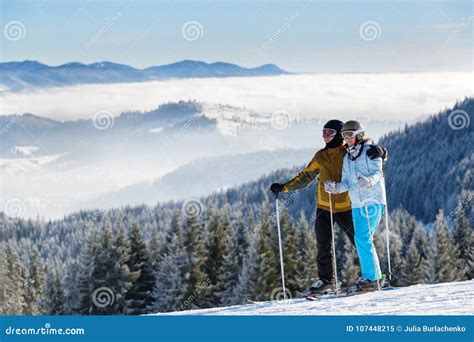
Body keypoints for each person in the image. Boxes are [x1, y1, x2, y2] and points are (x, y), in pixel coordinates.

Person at [270, 119, 386, 296]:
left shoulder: (347, 152)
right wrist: (284, 187)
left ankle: (374, 277)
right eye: (323, 133)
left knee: (360, 241)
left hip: (347, 207)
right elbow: (305, 177)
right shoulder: (321, 156)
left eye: (330, 133)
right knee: (323, 244)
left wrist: (383, 152)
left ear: (339, 134)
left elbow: (368, 154)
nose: (325, 137)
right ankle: (327, 281)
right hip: (324, 207)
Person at [324, 120, 386, 292]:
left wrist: (369, 181)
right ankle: (374, 276)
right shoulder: (348, 157)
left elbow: (377, 172)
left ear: (359, 134)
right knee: (361, 240)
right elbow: (346, 183)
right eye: (344, 136)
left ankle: (372, 278)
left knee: (362, 238)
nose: (347, 139)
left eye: (350, 135)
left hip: (372, 200)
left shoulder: (371, 151)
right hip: (357, 204)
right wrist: (335, 188)